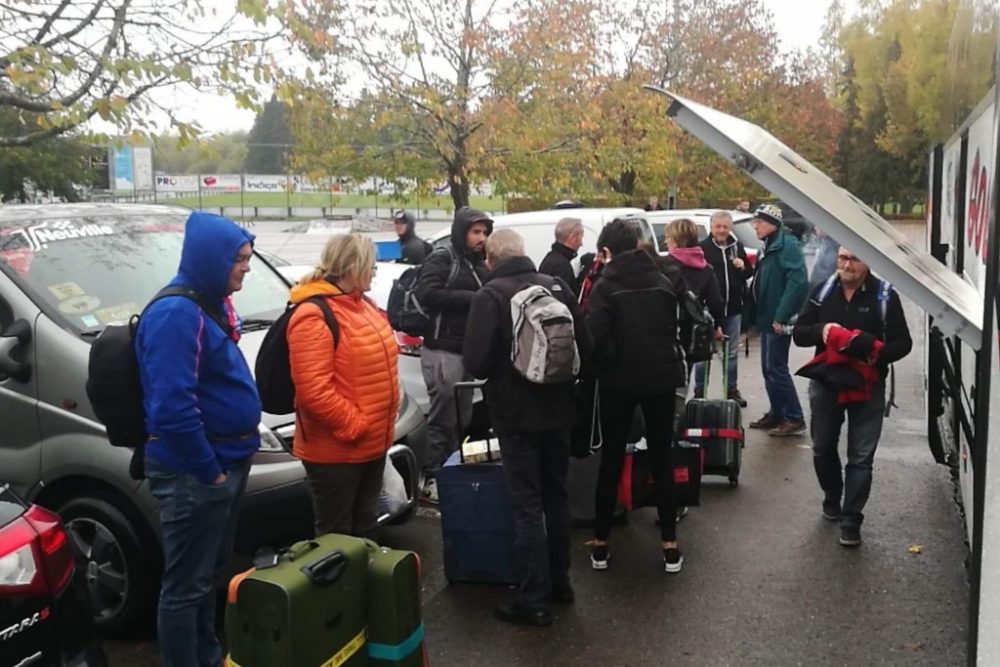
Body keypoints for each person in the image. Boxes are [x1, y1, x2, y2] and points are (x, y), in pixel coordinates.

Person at [136, 211, 261, 667]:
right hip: (195, 471)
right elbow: (171, 407)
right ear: (214, 259)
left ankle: (208, 656)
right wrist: (209, 471)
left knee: (207, 577)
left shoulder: (210, 302)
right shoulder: (175, 314)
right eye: (240, 259)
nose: (246, 267)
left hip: (225, 462)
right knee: (185, 587)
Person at [463, 229, 589, 627]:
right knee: (556, 495)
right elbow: (583, 341)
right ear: (524, 254)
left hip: (516, 415)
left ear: (490, 261)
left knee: (527, 504)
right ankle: (561, 583)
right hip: (559, 408)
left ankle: (532, 598)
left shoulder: (490, 295)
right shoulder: (554, 286)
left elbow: (477, 361)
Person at [586, 219, 686, 573]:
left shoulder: (604, 286)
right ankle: (670, 545)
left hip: (618, 381)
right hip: (660, 378)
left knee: (612, 457)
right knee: (662, 457)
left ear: (608, 251)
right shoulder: (662, 279)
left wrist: (604, 360)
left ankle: (600, 544)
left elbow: (591, 336)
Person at [793, 247, 912, 547]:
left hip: (868, 386)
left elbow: (904, 342)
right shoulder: (823, 289)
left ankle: (851, 519)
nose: (846, 265)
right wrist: (823, 331)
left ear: (868, 263)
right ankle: (833, 495)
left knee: (861, 458)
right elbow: (800, 332)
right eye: (842, 258)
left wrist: (872, 351)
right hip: (826, 384)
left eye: (854, 259)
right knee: (821, 448)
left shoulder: (885, 296)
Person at [287, 233, 399, 539]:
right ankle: (341, 588)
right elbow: (313, 390)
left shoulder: (363, 305)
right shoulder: (313, 315)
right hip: (338, 451)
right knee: (337, 538)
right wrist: (355, 426)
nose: (376, 270)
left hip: (372, 444)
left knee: (365, 529)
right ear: (352, 266)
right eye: (371, 264)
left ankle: (362, 585)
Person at [414, 206, 492, 500]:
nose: (481, 238)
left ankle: (454, 472)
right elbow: (427, 293)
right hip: (442, 349)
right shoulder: (442, 258)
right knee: (443, 417)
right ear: (462, 232)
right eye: (476, 232)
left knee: (463, 417)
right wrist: (474, 299)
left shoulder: (479, 264)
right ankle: (433, 477)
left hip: (467, 350)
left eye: (484, 232)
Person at [744, 204, 809, 436]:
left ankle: (794, 417)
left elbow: (798, 283)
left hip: (778, 319)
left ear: (772, 223)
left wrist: (781, 315)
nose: (755, 226)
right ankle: (777, 413)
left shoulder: (787, 246)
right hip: (766, 317)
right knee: (768, 368)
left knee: (776, 368)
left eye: (759, 222)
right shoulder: (769, 246)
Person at [696, 211, 754, 405]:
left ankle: (731, 390)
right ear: (711, 227)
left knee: (731, 354)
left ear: (730, 228)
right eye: (718, 227)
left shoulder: (736, 246)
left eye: (725, 227)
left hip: (734, 309)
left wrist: (742, 267)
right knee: (703, 353)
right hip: (709, 311)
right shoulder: (702, 248)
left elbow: (748, 273)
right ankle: (699, 391)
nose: (721, 231)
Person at [538, 216, 584, 297]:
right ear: (573, 237)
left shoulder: (551, 259)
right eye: (581, 238)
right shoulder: (561, 265)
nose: (581, 244)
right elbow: (564, 300)